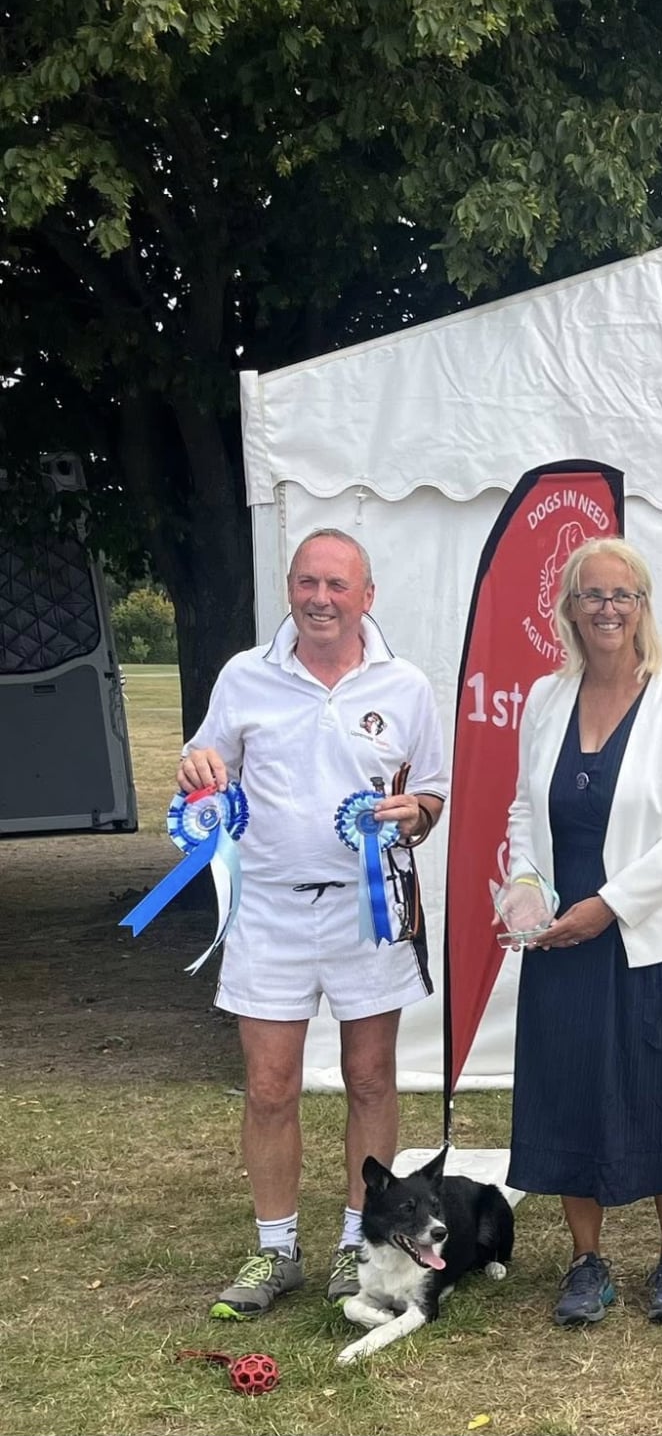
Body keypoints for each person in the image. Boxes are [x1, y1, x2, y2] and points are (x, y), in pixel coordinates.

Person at [179, 528, 447, 1318]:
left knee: (370, 1078)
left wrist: (417, 814)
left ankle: (358, 1244)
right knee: (269, 1086)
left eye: (337, 585)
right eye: (307, 583)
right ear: (290, 588)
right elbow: (204, 768)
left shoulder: (404, 685)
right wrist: (197, 774)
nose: (320, 599)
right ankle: (276, 1249)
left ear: (367, 596)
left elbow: (432, 792)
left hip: (369, 911)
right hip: (269, 908)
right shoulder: (244, 676)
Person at [496, 537, 662, 1328]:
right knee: (572, 1087)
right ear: (569, 608)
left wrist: (607, 905)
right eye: (592, 595)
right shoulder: (545, 700)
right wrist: (526, 889)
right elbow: (524, 809)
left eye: (623, 595)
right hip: (563, 934)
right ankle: (586, 1261)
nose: (607, 609)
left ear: (643, 608)